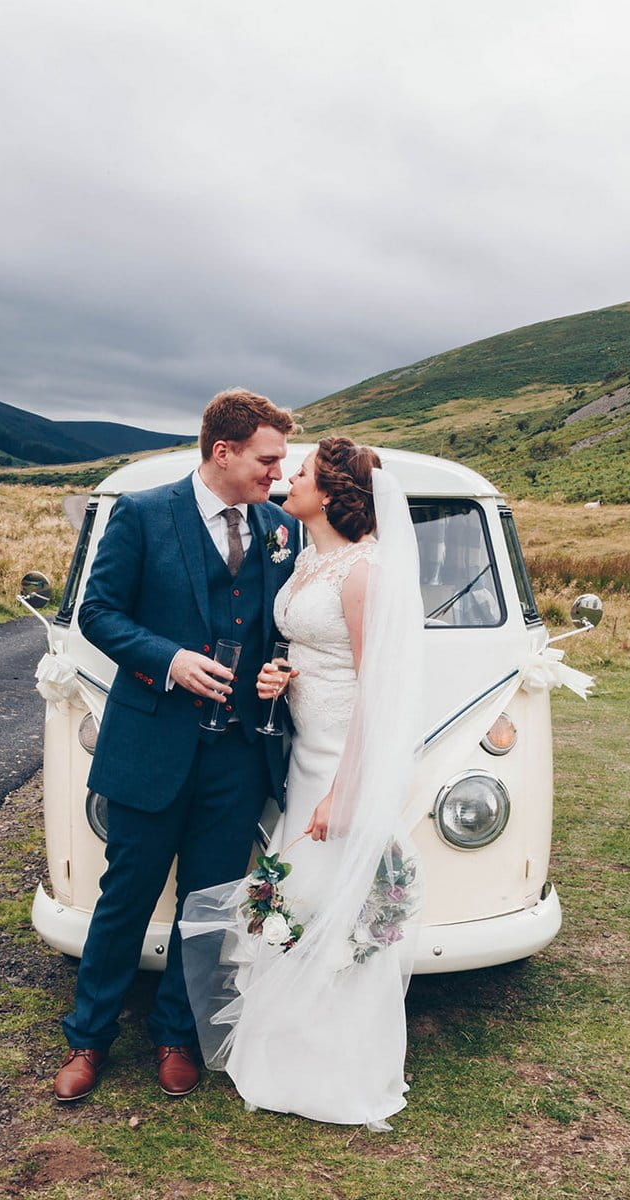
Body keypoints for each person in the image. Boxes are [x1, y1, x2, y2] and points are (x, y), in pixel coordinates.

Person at [53, 388, 299, 1102]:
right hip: (152, 741)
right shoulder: (142, 513)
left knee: (209, 903)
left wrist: (279, 666)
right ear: (222, 452)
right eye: (266, 459)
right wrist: (167, 659)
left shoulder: (282, 527)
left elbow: (278, 626)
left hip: (238, 756)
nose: (276, 475)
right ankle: (88, 1040)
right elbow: (98, 613)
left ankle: (176, 1035)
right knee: (124, 896)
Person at [180, 435, 424, 1128]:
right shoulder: (314, 557)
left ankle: (334, 1071)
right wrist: (277, 676)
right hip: (302, 748)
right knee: (300, 902)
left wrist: (347, 790)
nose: (289, 478)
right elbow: (310, 650)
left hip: (342, 758)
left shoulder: (365, 571)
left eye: (305, 474)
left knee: (336, 907)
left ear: (335, 494)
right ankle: (288, 1053)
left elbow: (378, 687)